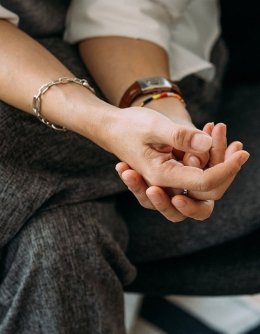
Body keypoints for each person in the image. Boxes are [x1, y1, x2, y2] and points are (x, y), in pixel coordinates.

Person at [0, 1, 254, 333]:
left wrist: (159, 113)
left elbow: (126, 10)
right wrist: (100, 123)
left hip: (149, 61)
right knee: (62, 244)